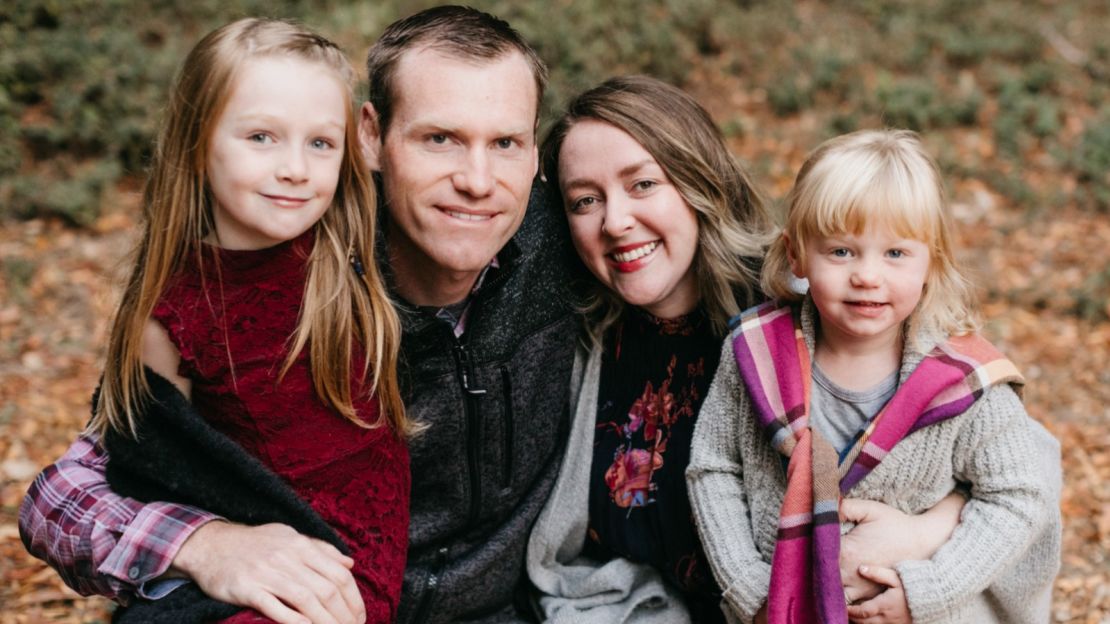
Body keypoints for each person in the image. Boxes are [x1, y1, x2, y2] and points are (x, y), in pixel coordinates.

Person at [20, 7, 578, 624]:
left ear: (534, 152)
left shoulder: (566, 246)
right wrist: (201, 543)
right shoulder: (307, 265)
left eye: (505, 143)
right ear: (369, 136)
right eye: (438, 138)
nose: (477, 180)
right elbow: (62, 498)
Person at [526, 79, 969, 623]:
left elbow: (1007, 452)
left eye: (642, 184)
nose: (615, 222)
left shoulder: (809, 306)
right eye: (585, 200)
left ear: (697, 182)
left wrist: (928, 529)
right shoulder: (570, 337)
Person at [55, 17, 411, 623]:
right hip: (265, 567)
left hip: (351, 573)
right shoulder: (171, 314)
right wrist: (203, 548)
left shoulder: (347, 256)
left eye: (320, 143)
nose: (296, 168)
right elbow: (145, 463)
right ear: (199, 142)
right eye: (262, 138)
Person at [686, 129, 1062, 623]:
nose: (867, 275)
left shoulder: (962, 381)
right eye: (841, 251)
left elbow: (1019, 496)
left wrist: (927, 590)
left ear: (932, 262)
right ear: (797, 254)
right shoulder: (754, 353)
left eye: (895, 254)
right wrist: (751, 591)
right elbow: (714, 468)